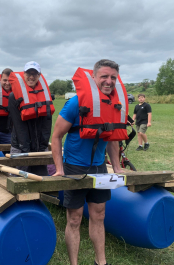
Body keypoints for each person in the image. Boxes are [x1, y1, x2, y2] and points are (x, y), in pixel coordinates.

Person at [51, 59, 127, 265]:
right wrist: (59, 169)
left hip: (99, 168)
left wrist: (117, 167)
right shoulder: (76, 102)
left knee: (99, 214)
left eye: (113, 77)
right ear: (94, 78)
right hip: (74, 167)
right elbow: (56, 136)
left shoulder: (113, 105)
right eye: (104, 76)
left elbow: (112, 138)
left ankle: (100, 262)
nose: (109, 81)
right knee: (74, 218)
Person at [8, 61, 55, 176]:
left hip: (39, 146)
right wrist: (25, 149)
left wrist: (42, 147)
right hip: (20, 146)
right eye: (29, 73)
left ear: (39, 76)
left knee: (42, 176)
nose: (31, 77)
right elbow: (18, 125)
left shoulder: (45, 95)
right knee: (18, 179)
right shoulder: (14, 96)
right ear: (24, 74)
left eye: (35, 74)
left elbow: (47, 123)